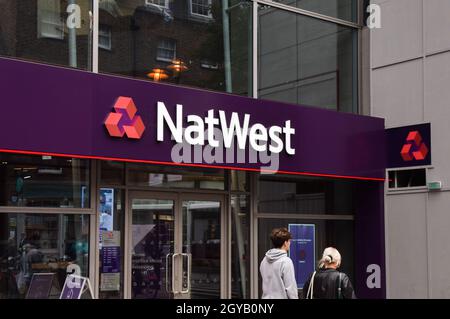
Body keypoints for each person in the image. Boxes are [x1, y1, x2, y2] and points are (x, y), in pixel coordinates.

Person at [260, 228, 298, 299]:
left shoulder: (264, 260)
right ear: (285, 243)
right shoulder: (286, 261)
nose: (290, 243)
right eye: (289, 241)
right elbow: (291, 289)